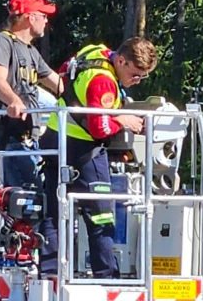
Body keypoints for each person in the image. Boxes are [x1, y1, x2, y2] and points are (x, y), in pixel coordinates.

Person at [38, 37, 159, 278]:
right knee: (102, 215)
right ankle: (106, 275)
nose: (136, 81)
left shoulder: (96, 52)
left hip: (54, 138)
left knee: (52, 211)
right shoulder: (103, 81)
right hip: (82, 148)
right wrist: (123, 120)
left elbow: (65, 74)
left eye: (142, 77)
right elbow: (99, 128)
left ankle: (49, 273)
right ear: (121, 61)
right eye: (135, 75)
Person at [0, 0, 63, 188]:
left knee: (33, 200)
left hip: (28, 139)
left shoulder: (31, 51)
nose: (46, 21)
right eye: (43, 15)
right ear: (30, 17)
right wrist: (14, 101)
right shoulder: (2, 42)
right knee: (25, 203)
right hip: (8, 137)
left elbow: (58, 84)